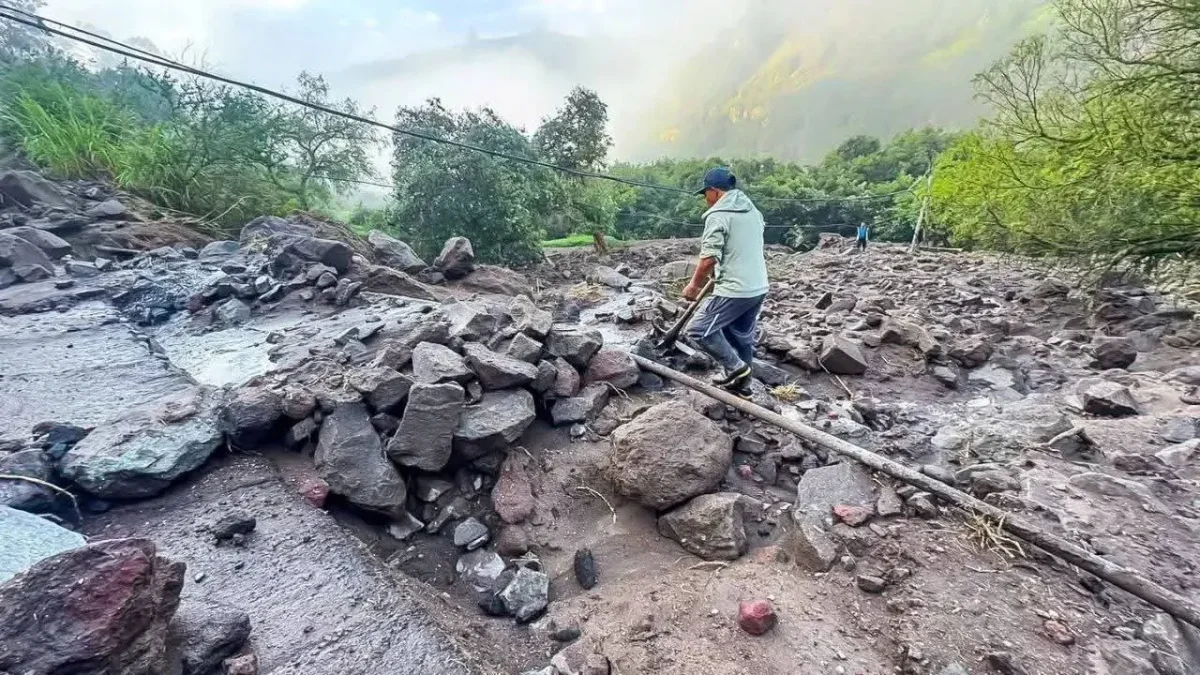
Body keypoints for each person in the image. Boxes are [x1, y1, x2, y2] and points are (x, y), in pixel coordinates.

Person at [682, 167, 769, 397]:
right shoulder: (753, 212)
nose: (705, 199)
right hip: (758, 286)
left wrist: (694, 286)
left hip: (735, 289)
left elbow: (709, 257)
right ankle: (744, 388)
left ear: (715, 191)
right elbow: (741, 245)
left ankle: (735, 368)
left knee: (698, 330)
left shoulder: (718, 214)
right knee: (739, 336)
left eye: (705, 194)